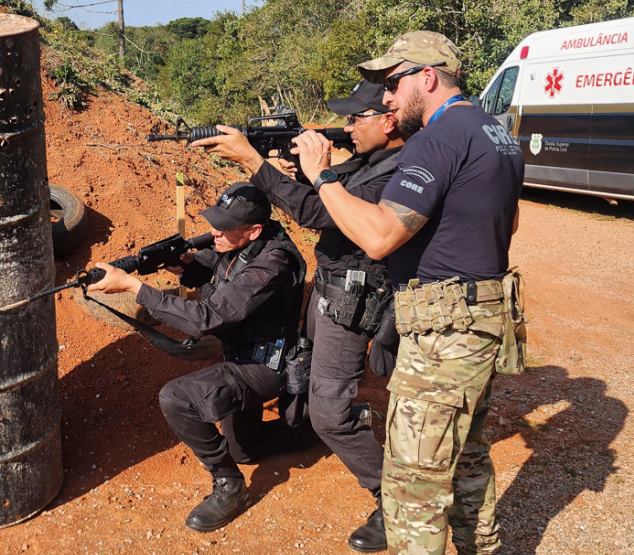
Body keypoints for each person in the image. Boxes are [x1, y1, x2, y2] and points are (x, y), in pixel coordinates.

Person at [288, 31, 524, 554]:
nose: (387, 99)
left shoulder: (436, 140)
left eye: (392, 84)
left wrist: (321, 176)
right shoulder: (495, 131)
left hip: (444, 332)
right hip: (480, 320)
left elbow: (378, 237)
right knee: (466, 458)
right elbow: (500, 224)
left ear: (427, 76)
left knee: (413, 486)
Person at [189, 80, 406, 553]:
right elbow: (321, 196)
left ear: (389, 120)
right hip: (327, 297)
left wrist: (255, 162)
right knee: (302, 381)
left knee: (329, 413)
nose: (346, 126)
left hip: (352, 302)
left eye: (355, 118)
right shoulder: (370, 161)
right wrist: (296, 172)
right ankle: (324, 425)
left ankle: (395, 502)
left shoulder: (394, 173)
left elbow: (316, 214)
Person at [87, 182, 306, 533]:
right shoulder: (241, 245)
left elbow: (208, 317)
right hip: (241, 352)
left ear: (253, 230)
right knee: (244, 450)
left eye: (224, 226)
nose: (214, 231)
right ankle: (311, 429)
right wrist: (184, 265)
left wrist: (134, 288)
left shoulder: (273, 263)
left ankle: (230, 487)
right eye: (215, 221)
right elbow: (214, 271)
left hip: (264, 366)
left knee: (176, 398)